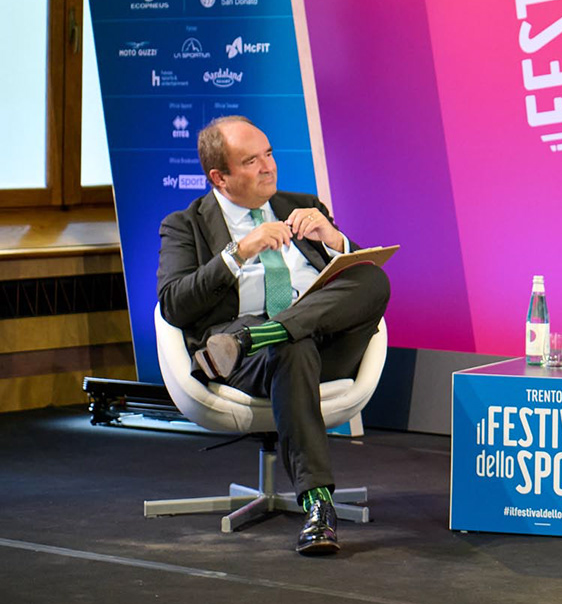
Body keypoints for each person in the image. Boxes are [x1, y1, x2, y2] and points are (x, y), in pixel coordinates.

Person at [156, 116, 390, 556]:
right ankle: (318, 505)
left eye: (268, 154)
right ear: (219, 178)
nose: (268, 166)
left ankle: (264, 334)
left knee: (374, 280)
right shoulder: (185, 225)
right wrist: (239, 251)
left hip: (322, 342)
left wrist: (333, 239)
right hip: (244, 358)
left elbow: (356, 279)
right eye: (251, 161)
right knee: (291, 347)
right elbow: (174, 304)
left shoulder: (303, 206)